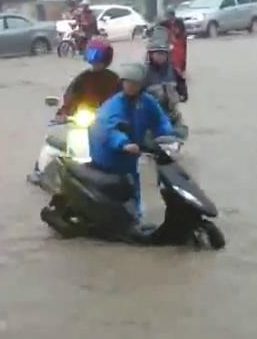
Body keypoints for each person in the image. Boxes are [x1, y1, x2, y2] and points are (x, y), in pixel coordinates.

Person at [89, 62, 175, 222]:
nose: (130, 86)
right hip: (110, 155)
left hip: (132, 154)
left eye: (134, 83)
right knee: (123, 187)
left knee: (136, 187)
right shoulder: (114, 105)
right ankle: (128, 220)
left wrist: (168, 136)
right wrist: (123, 143)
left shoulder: (146, 101)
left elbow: (160, 120)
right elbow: (109, 129)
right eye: (127, 82)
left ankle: (138, 219)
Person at [55, 36, 120, 121]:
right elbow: (70, 96)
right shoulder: (83, 78)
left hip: (108, 122)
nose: (96, 64)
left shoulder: (114, 79)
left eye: (99, 61)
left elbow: (121, 101)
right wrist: (62, 113)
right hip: (83, 120)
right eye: (94, 61)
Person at [143, 36, 188, 129]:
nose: (161, 56)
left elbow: (181, 85)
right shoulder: (144, 73)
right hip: (151, 117)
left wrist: (182, 94)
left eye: (163, 54)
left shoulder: (173, 71)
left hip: (172, 115)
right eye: (158, 54)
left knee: (178, 137)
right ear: (151, 55)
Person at [160, 8, 188, 74]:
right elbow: (157, 27)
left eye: (170, 16)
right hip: (169, 41)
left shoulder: (179, 21)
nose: (169, 17)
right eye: (167, 16)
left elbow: (182, 31)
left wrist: (176, 35)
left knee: (180, 53)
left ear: (173, 15)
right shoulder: (164, 23)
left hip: (179, 40)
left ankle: (180, 68)